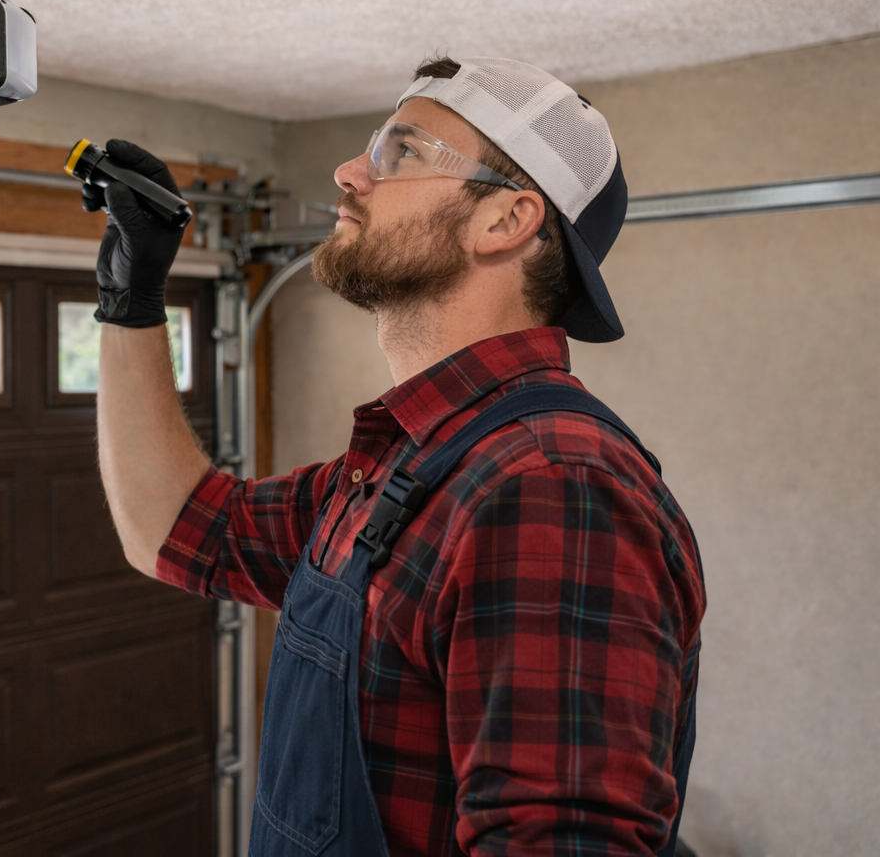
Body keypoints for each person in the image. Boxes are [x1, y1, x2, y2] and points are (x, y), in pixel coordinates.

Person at [86, 56, 706, 857]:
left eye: (400, 152)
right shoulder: (405, 466)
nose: (349, 173)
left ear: (505, 221)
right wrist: (130, 303)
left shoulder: (550, 485)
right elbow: (177, 529)